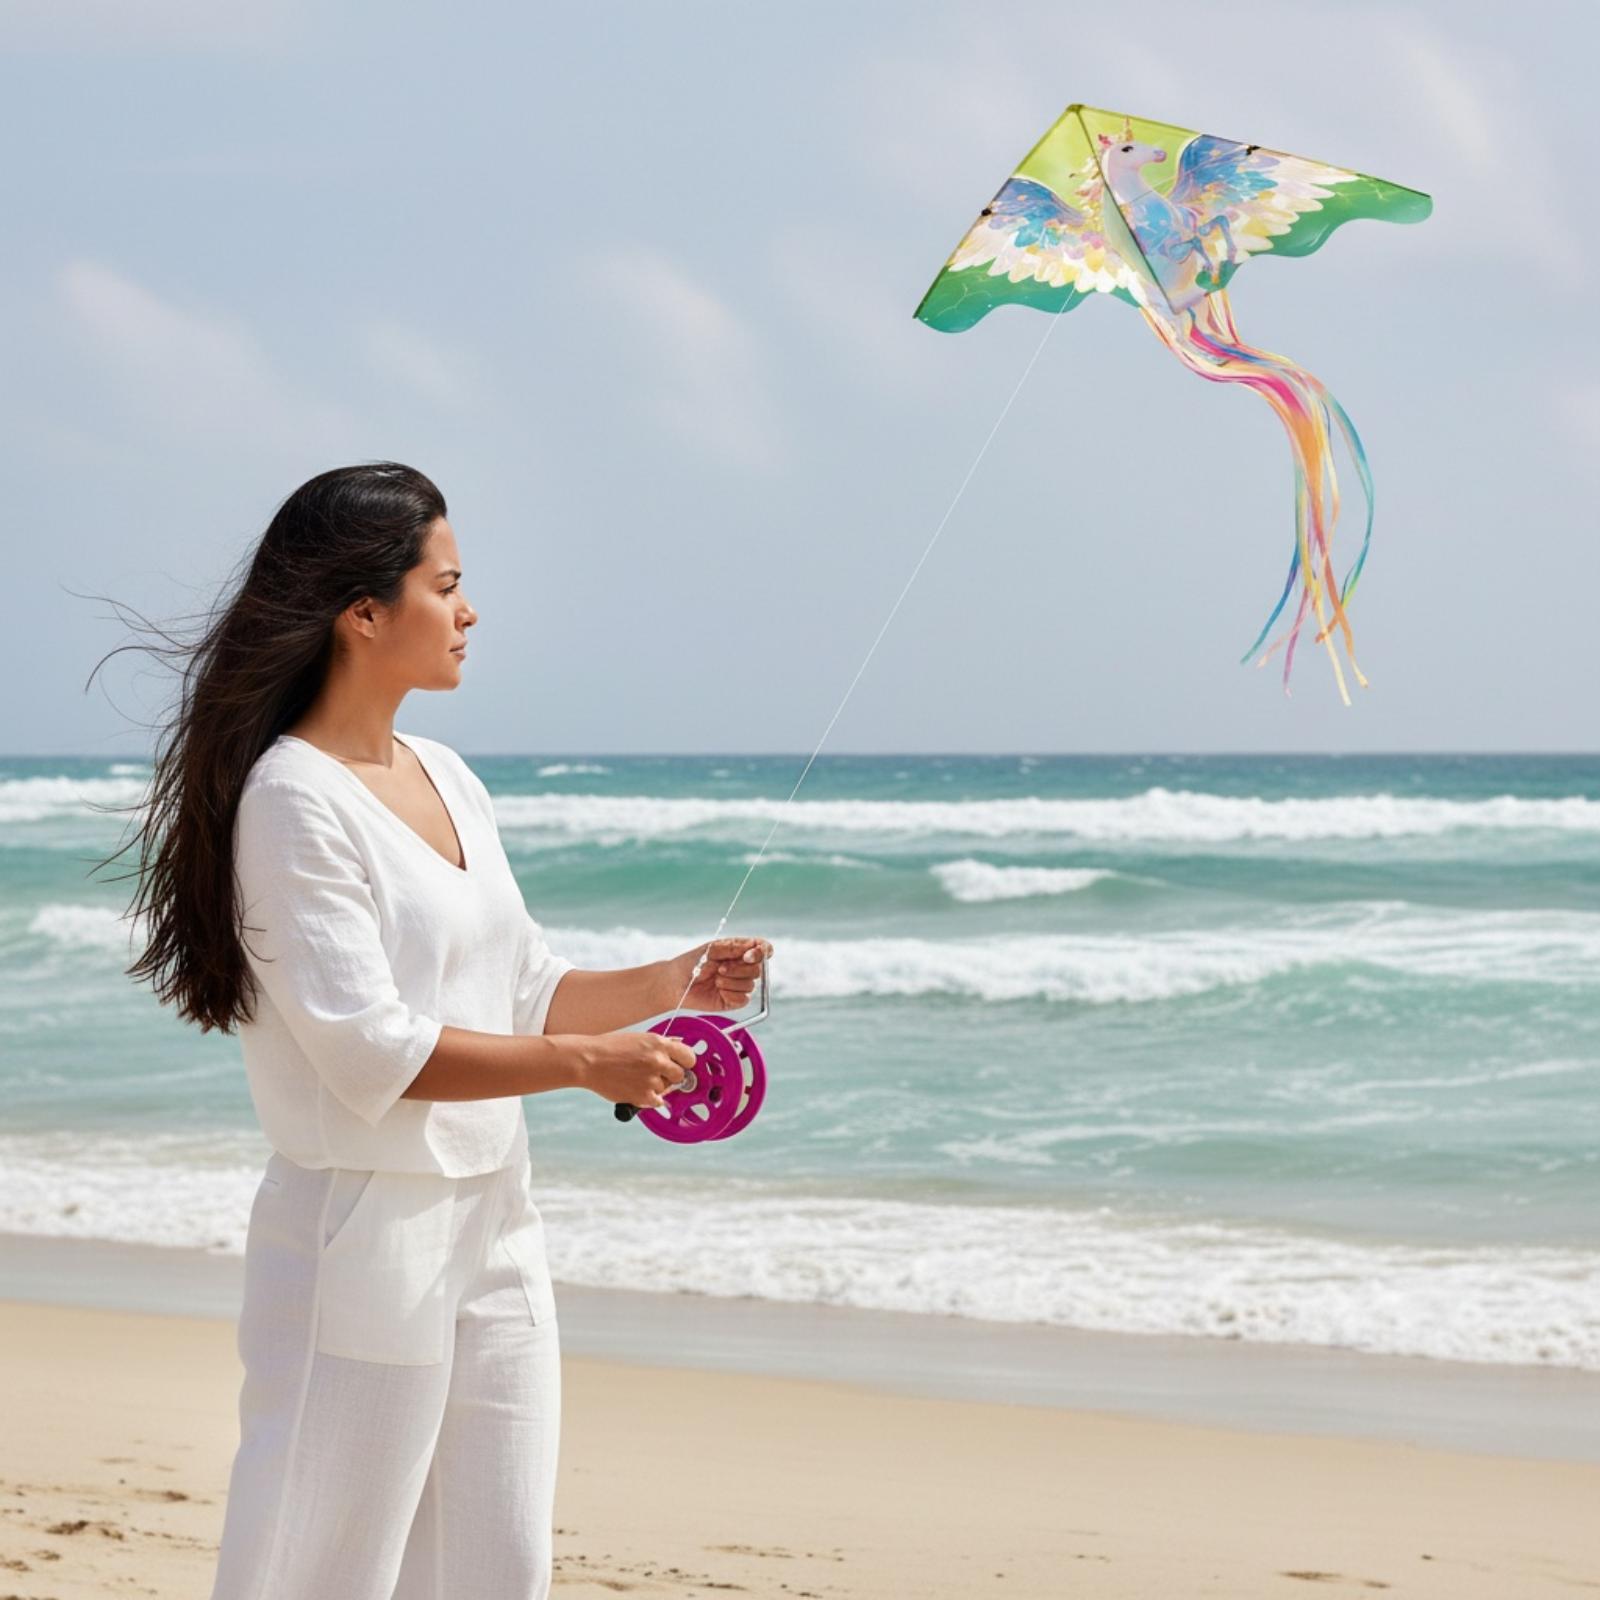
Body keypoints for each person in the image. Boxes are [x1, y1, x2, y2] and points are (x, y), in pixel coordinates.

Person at [113, 461, 772, 1598]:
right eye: (447, 585)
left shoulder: (450, 776)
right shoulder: (292, 798)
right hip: (362, 1225)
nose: (470, 613)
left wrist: (677, 982)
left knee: (497, 1564)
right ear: (363, 613)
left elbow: (523, 986)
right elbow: (371, 1049)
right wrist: (584, 1067)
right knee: (320, 1565)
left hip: (496, 1214)